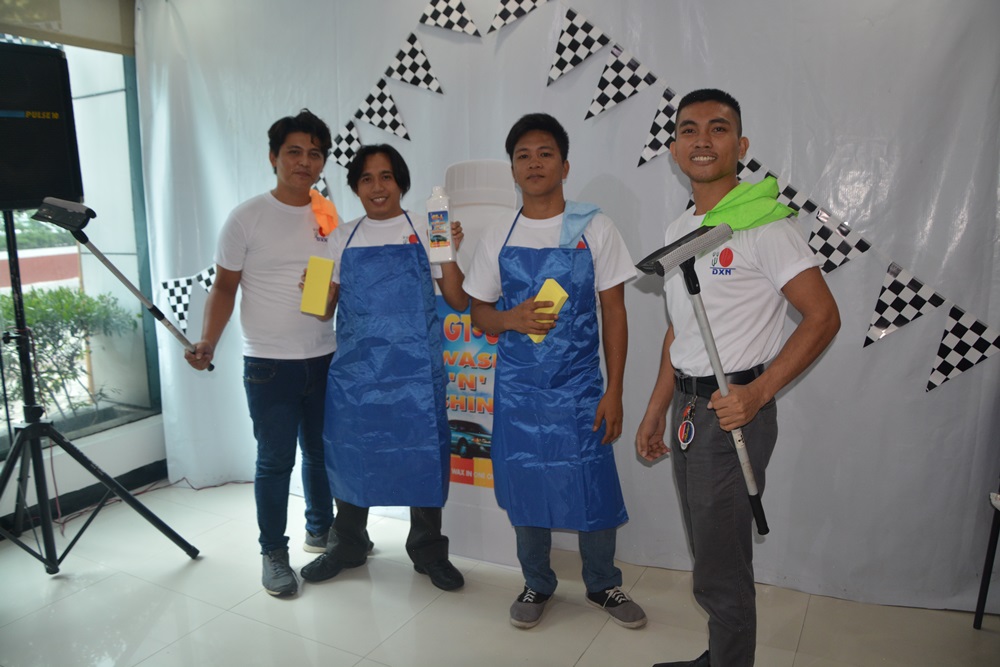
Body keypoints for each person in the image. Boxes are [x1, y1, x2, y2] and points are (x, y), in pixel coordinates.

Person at [635, 89, 841, 667]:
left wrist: (758, 393)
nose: (702, 140)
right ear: (675, 148)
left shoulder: (764, 225)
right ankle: (721, 657)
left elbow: (823, 316)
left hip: (734, 414)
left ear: (741, 145)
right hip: (689, 410)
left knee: (722, 569)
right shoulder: (683, 226)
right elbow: (680, 332)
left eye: (718, 128)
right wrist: (656, 408)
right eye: (689, 129)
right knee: (710, 554)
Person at [465, 113, 646, 630]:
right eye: (522, 156)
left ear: (565, 166)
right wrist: (511, 319)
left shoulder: (595, 228)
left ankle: (603, 582)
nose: (534, 163)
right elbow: (479, 312)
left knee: (593, 482)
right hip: (519, 391)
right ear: (513, 170)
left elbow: (615, 312)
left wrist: (614, 390)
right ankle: (536, 582)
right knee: (526, 482)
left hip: (581, 388)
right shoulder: (499, 234)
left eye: (545, 153)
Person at [185, 109, 340, 597]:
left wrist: (330, 294)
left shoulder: (328, 215)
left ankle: (322, 530)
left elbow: (334, 285)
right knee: (275, 462)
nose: (304, 161)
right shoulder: (246, 216)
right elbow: (224, 288)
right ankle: (273, 553)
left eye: (314, 153)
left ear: (323, 162)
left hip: (325, 355)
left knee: (321, 454)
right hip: (269, 364)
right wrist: (208, 340)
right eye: (294, 151)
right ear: (273, 157)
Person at [299, 144, 467, 592]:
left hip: (416, 374)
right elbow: (319, 308)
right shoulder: (340, 237)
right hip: (357, 376)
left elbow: (457, 299)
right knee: (352, 456)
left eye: (386, 176)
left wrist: (448, 250)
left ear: (401, 183)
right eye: (367, 178)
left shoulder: (427, 228)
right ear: (356, 187)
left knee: (424, 455)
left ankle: (429, 552)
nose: (377, 187)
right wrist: (312, 288)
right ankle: (348, 545)